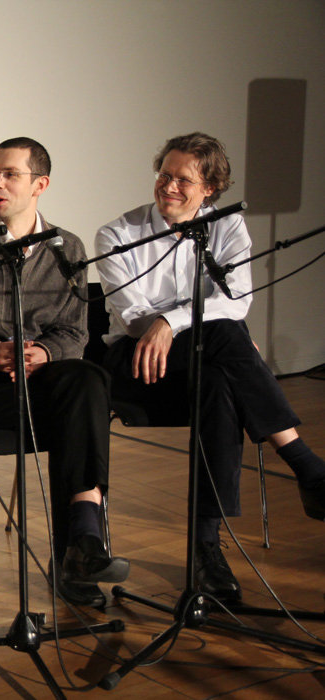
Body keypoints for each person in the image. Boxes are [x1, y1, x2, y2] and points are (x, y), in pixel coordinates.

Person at [95, 132, 325, 602]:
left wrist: (173, 319)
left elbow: (236, 300)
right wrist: (177, 323)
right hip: (134, 363)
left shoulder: (227, 227)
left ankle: (206, 553)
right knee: (225, 338)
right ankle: (305, 467)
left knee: (219, 379)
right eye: (164, 175)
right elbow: (137, 321)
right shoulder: (117, 234)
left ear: (209, 189)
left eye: (183, 179)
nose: (169, 187)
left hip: (199, 363)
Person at [0, 137, 130, 608]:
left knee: (87, 381)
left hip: (44, 385)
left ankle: (80, 546)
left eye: (10, 175)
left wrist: (44, 353)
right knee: (84, 401)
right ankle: (79, 545)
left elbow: (74, 334)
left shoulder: (67, 249)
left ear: (40, 185)